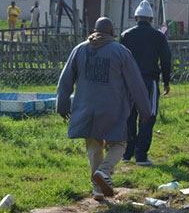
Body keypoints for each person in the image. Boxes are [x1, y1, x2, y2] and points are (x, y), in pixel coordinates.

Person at [56, 17, 152, 201]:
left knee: (93, 146)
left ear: (94, 30)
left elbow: (65, 79)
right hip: (113, 109)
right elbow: (136, 83)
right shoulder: (121, 52)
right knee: (120, 143)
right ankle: (104, 171)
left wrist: (62, 105)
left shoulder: (80, 49)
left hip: (85, 107)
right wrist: (145, 110)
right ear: (112, 33)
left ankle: (97, 190)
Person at [120, 0, 172, 166]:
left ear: (136, 18)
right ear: (151, 19)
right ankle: (141, 155)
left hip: (128, 82)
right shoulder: (158, 36)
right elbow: (166, 60)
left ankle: (127, 153)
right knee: (148, 117)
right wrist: (166, 81)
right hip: (149, 81)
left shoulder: (125, 35)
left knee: (129, 116)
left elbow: (119, 60)